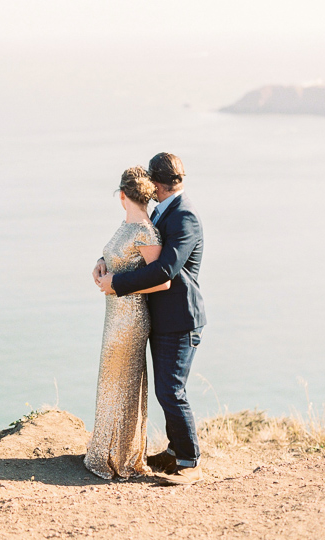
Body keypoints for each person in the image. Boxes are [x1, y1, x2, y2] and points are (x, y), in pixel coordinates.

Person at [95, 152, 206, 485]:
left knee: (171, 391)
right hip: (161, 317)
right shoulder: (163, 213)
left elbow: (164, 269)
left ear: (157, 183)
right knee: (163, 389)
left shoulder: (184, 217)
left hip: (181, 319)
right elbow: (137, 243)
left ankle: (190, 462)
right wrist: (106, 260)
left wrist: (117, 285)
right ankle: (175, 452)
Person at [84, 166, 171, 479]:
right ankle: (105, 449)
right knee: (111, 383)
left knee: (124, 385)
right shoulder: (126, 225)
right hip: (115, 317)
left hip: (131, 317)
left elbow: (161, 283)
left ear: (122, 195)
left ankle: (121, 457)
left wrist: (117, 284)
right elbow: (117, 255)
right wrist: (101, 262)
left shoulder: (146, 231)